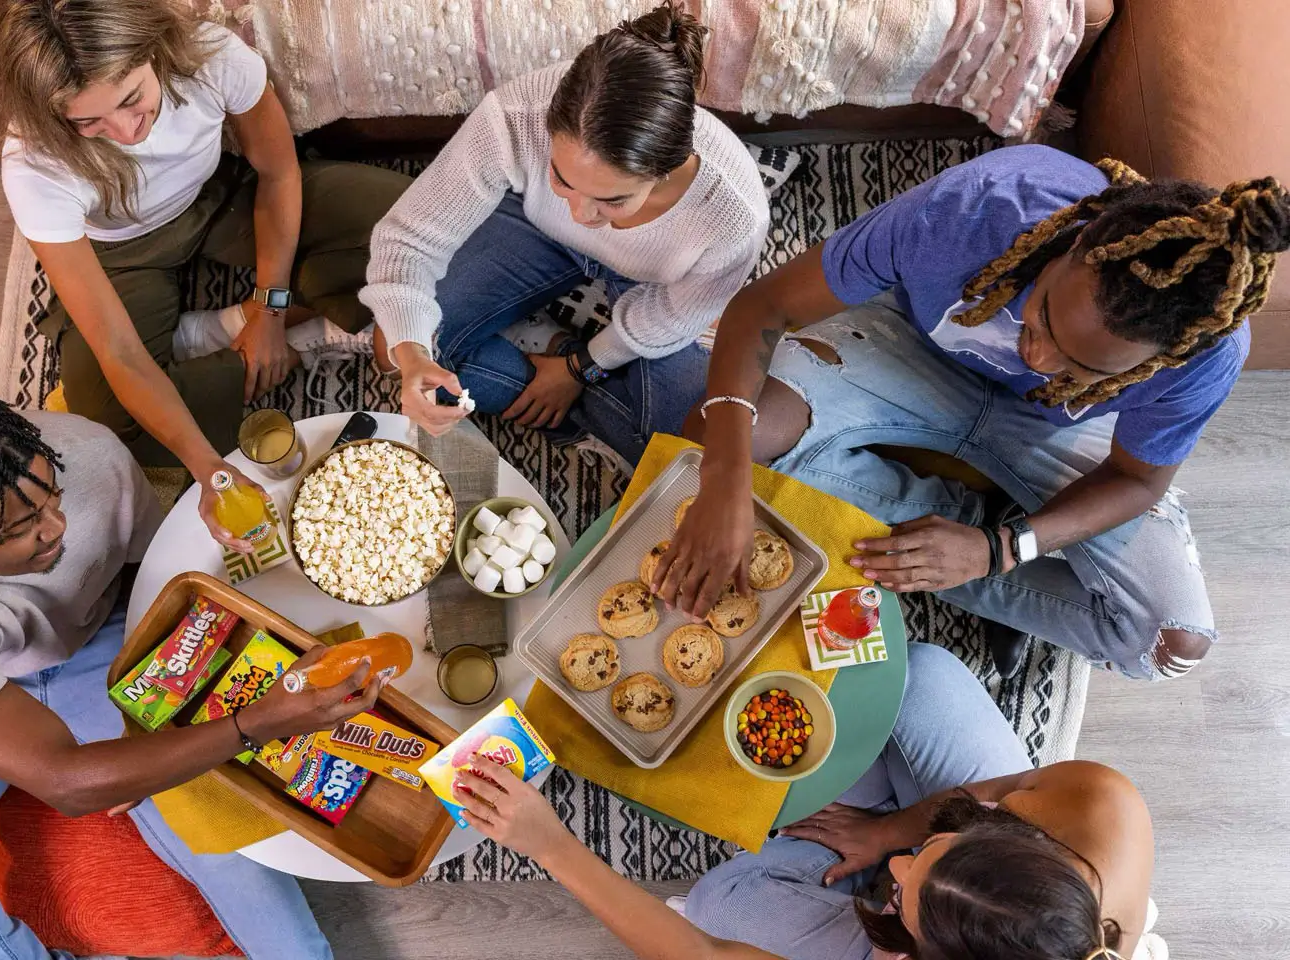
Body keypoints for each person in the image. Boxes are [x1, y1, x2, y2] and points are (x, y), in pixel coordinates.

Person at [654, 144, 1290, 679]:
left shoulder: (1206, 351)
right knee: (716, 439)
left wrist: (1002, 549)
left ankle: (979, 540)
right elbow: (762, 307)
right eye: (1039, 314)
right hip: (908, 353)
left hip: (1048, 434)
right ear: (1069, 243)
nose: (1034, 357)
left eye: (1083, 367)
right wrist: (726, 483)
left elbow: (1138, 478)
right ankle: (967, 529)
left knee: (1167, 646)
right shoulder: (976, 206)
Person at [0, 390, 378, 959]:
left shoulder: (84, 452)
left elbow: (155, 574)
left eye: (52, 497)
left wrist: (158, 712)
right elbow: (66, 783)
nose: (57, 527)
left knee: (231, 848)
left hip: (106, 640)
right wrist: (254, 723)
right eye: (23, 528)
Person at [0, 0, 409, 546]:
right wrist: (210, 470)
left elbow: (279, 171)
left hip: (218, 199)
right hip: (118, 253)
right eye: (87, 121)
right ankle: (283, 327)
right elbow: (118, 351)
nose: (123, 132)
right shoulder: (33, 163)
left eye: (132, 98)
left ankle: (247, 327)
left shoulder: (210, 54)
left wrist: (271, 307)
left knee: (409, 226)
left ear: (155, 50)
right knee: (108, 434)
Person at [452, 644, 1153, 960]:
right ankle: (858, 818)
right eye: (933, 854)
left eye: (903, 892)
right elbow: (993, 796)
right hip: (979, 873)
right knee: (929, 674)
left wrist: (548, 843)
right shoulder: (1103, 805)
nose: (903, 869)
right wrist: (887, 836)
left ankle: (814, 837)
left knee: (718, 906)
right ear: (1017, 839)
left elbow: (699, 951)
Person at [360, 1, 769, 464]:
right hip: (533, 230)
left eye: (613, 200)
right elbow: (409, 242)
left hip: (653, 285)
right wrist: (414, 358)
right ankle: (565, 367)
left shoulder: (734, 217)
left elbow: (672, 318)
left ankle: (561, 371)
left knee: (693, 447)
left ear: (668, 168)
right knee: (394, 344)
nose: (579, 214)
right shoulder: (517, 115)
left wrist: (580, 367)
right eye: (562, 179)